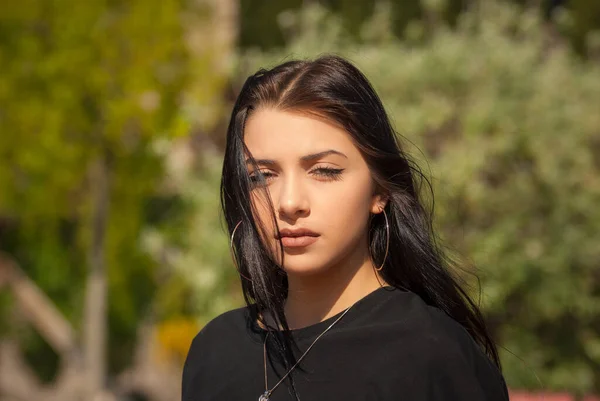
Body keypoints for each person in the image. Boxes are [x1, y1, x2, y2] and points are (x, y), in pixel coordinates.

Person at [181, 54, 510, 401]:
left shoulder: (429, 353)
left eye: (324, 170)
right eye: (262, 176)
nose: (289, 203)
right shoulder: (216, 351)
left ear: (379, 190)